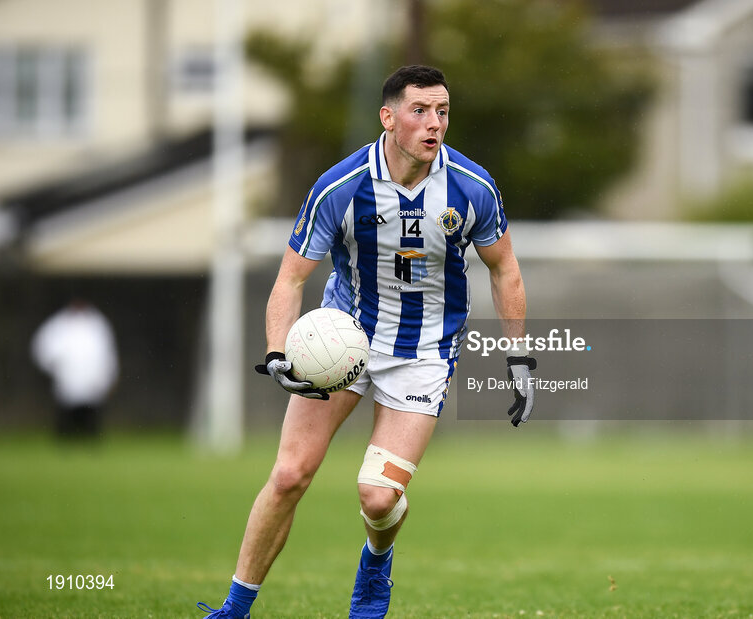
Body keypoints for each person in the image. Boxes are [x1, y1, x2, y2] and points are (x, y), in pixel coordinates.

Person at [198, 65, 536, 619]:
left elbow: (506, 271)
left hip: (425, 351)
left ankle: (376, 562)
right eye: (420, 111)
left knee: (378, 497)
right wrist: (278, 352)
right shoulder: (341, 185)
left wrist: (519, 359)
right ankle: (234, 609)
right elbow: (289, 278)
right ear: (388, 116)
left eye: (443, 112)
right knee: (288, 476)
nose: (434, 124)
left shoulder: (471, 187)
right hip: (345, 339)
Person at [30, 297, 119, 439]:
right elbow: (43, 347)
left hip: (91, 380)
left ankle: (90, 440)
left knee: (90, 415)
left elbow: (107, 353)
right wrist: (53, 368)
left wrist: (108, 377)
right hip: (67, 378)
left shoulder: (97, 325)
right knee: (67, 414)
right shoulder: (59, 324)